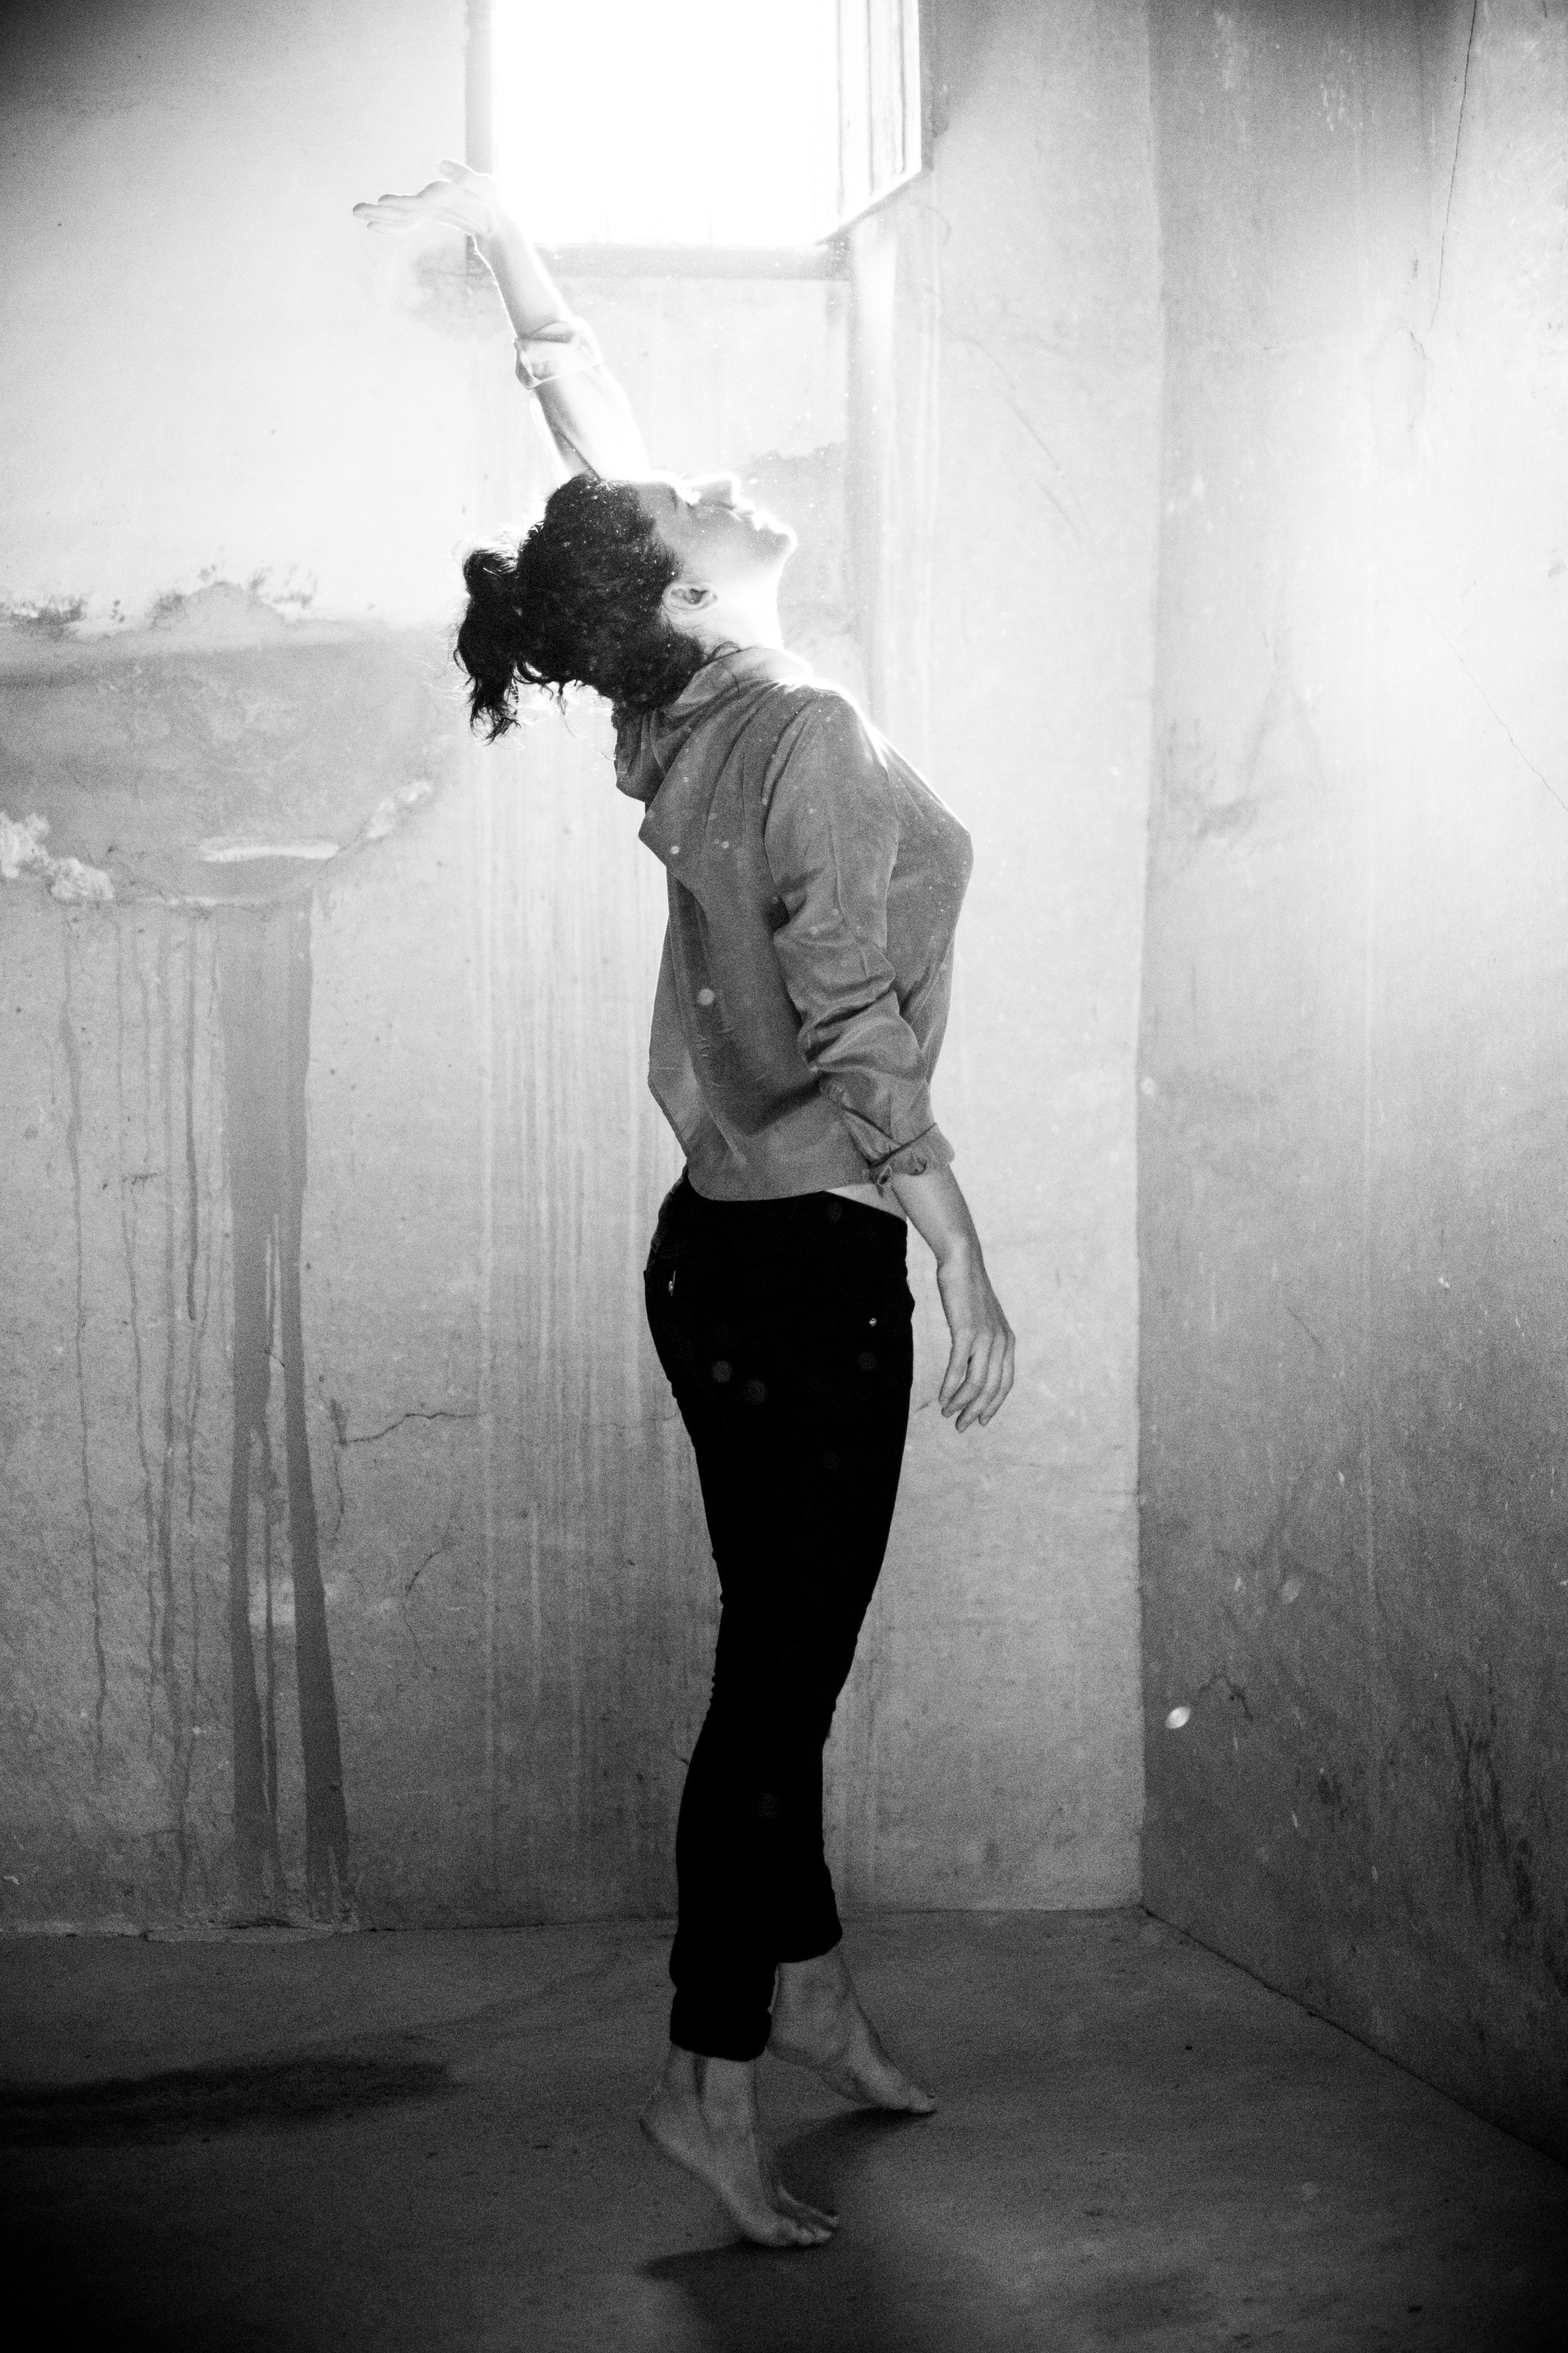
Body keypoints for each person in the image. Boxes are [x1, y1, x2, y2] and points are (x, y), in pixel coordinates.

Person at [355, 161, 1016, 2250]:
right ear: (684, 593)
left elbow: (599, 441)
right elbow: (851, 1016)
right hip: (812, 1257)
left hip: (713, 1253)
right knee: (779, 1685)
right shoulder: (793, 728)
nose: (714, 486)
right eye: (687, 511)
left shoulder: (675, 704)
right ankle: (702, 2076)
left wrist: (511, 251)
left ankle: (801, 1988)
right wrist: (956, 1238)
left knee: (776, 1654)